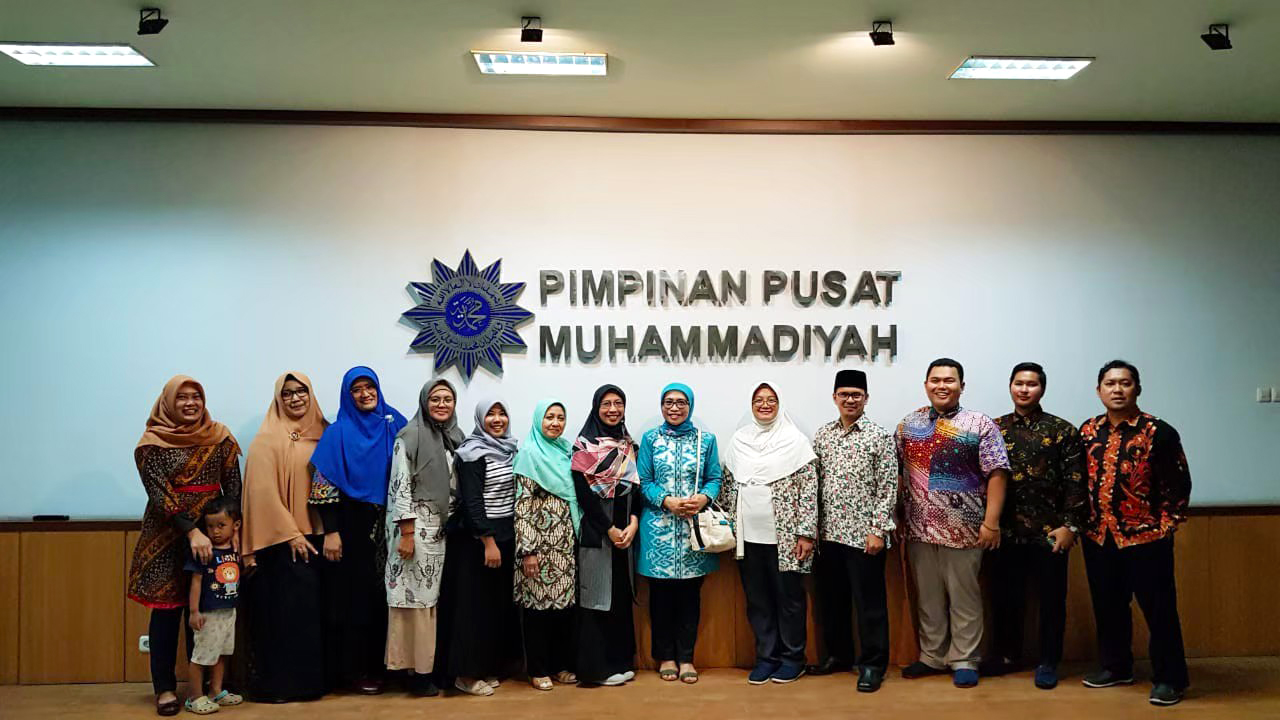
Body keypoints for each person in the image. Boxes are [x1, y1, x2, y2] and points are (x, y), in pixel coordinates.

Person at [127, 375, 241, 717]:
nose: (191, 403)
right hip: (165, 536)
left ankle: (202, 689)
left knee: (206, 610)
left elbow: (233, 486)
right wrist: (191, 532)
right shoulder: (151, 443)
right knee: (166, 613)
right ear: (168, 402)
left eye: (196, 397)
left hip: (214, 536)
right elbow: (159, 494)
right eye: (182, 397)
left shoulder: (220, 437)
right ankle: (164, 688)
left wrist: (233, 530)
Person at [1079, 360, 1191, 707]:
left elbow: (1178, 483)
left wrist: (1165, 527)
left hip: (1146, 538)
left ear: (1137, 389)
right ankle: (1116, 667)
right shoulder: (1087, 431)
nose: (1117, 389)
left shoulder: (1159, 432)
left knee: (1160, 611)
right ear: (1098, 390)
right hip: (1099, 536)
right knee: (1108, 606)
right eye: (1110, 383)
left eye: (1125, 383)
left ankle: (1170, 679)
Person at [896, 358, 1010, 688]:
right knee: (928, 597)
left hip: (965, 529)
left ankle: (965, 659)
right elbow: (897, 473)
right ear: (926, 384)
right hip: (918, 528)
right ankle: (932, 656)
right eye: (935, 380)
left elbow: (997, 473)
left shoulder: (980, 424)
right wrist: (897, 516)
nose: (941, 385)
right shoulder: (908, 425)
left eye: (949, 380)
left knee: (964, 597)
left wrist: (991, 522)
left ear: (961, 385)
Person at [985, 362, 1087, 690]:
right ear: (1010, 386)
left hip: (1050, 532)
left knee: (1051, 602)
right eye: (1019, 383)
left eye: (1032, 384)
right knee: (1004, 598)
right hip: (1005, 532)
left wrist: (1070, 526)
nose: (1024, 389)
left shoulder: (1062, 430)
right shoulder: (994, 429)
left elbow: (1076, 482)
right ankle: (1006, 655)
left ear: (1042, 389)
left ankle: (1048, 661)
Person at [309, 367, 407, 695]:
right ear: (347, 395)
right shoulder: (337, 433)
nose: (365, 394)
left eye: (370, 387)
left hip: (390, 526)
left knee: (385, 598)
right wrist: (331, 532)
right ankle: (356, 671)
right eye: (357, 389)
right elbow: (323, 486)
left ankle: (387, 666)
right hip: (351, 527)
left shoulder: (393, 423)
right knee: (354, 600)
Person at [719, 382, 818, 685]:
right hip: (748, 539)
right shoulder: (740, 441)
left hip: (786, 538)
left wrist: (806, 533)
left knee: (789, 600)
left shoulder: (795, 441)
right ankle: (767, 658)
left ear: (779, 404)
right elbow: (727, 486)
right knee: (758, 600)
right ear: (751, 406)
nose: (764, 405)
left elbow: (809, 490)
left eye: (771, 399)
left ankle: (793, 659)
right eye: (758, 400)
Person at [239, 372, 327, 703]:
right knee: (280, 617)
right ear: (279, 398)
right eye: (287, 393)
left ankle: (310, 685)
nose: (295, 398)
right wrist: (290, 534)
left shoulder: (324, 433)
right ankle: (278, 687)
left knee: (310, 618)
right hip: (280, 544)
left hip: (317, 539)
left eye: (301, 391)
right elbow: (261, 493)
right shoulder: (265, 440)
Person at [808, 369, 898, 693]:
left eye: (856, 394)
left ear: (866, 398)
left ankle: (873, 664)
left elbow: (888, 487)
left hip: (864, 537)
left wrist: (878, 530)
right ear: (834, 398)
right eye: (844, 394)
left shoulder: (879, 436)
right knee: (832, 601)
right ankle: (838, 656)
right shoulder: (823, 435)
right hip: (829, 535)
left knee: (869, 604)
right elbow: (814, 484)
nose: (850, 399)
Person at [436, 392, 523, 696]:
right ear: (480, 419)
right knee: (472, 608)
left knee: (495, 606)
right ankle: (465, 675)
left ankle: (486, 666)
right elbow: (472, 501)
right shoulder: (470, 453)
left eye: (502, 414)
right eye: (491, 414)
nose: (497, 420)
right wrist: (488, 541)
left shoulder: (511, 449)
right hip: (479, 539)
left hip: (506, 533)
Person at [383, 379, 466, 697]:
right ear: (424, 402)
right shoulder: (409, 436)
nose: (442, 404)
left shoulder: (456, 438)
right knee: (414, 602)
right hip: (415, 530)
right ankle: (415, 673)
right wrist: (406, 533)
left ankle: (431, 667)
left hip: (442, 531)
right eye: (435, 399)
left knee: (431, 603)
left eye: (448, 399)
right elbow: (400, 485)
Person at [636, 383, 723, 685]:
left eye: (681, 402)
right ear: (661, 406)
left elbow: (715, 478)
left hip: (693, 532)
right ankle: (665, 657)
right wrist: (666, 501)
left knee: (690, 598)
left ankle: (686, 657)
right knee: (660, 599)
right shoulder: (650, 439)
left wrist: (703, 498)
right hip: (657, 529)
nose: (674, 408)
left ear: (690, 406)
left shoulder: (705, 440)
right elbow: (643, 480)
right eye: (669, 402)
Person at [571, 385, 640, 687]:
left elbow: (635, 491)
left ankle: (619, 662)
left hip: (625, 534)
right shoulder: (583, 447)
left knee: (620, 598)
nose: (613, 409)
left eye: (618, 403)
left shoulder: (629, 445)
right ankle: (595, 670)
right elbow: (584, 496)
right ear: (596, 408)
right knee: (597, 599)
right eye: (606, 404)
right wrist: (609, 529)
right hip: (598, 534)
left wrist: (633, 524)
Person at [513, 399, 580, 691]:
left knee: (563, 611)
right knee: (537, 611)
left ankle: (559, 666)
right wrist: (528, 551)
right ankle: (538, 669)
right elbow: (522, 506)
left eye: (560, 417)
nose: (555, 423)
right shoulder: (529, 454)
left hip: (564, 546)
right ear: (539, 420)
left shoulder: (566, 451)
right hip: (538, 548)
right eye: (549, 417)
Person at [183, 497, 244, 715]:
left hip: (229, 611)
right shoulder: (204, 552)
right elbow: (196, 582)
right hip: (208, 614)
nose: (215, 531)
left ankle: (215, 691)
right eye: (210, 526)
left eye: (221, 525)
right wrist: (194, 612)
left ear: (235, 525)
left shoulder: (235, 548)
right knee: (201, 656)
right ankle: (194, 697)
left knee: (221, 652)